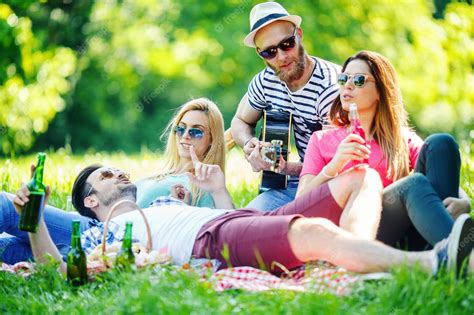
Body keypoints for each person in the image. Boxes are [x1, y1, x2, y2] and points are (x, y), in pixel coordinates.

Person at [13, 156, 474, 278]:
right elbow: (59, 267)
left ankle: (351, 261)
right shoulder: (103, 234)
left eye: (117, 168)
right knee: (313, 231)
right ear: (91, 201)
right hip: (211, 240)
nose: (119, 172)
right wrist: (33, 221)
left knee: (362, 178)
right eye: (106, 176)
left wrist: (213, 189)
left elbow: (231, 214)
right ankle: (433, 264)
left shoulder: (157, 206)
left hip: (228, 221)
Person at [0, 98, 230, 263]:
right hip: (97, 231)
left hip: (115, 241)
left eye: (197, 131)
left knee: (7, 213)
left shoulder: (203, 183)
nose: (186, 136)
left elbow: (225, 225)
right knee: (7, 239)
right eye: (180, 129)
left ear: (212, 141)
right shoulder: (162, 176)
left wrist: (215, 192)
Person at [298, 50, 471, 250]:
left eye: (359, 80)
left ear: (380, 90)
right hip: (357, 233)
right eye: (344, 78)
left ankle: (443, 248)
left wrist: (463, 201)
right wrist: (335, 165)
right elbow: (301, 201)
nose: (348, 85)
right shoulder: (322, 140)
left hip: (406, 229)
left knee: (441, 143)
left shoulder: (399, 138)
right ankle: (462, 253)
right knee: (413, 184)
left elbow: (439, 171)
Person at [230, 2, 341, 211]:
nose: (281, 56)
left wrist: (282, 167)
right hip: (294, 183)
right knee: (245, 221)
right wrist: (248, 144)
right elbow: (240, 121)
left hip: (333, 184)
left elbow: (335, 167)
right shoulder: (265, 82)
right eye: (270, 52)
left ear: (299, 34)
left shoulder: (330, 88)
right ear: (259, 53)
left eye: (287, 44)